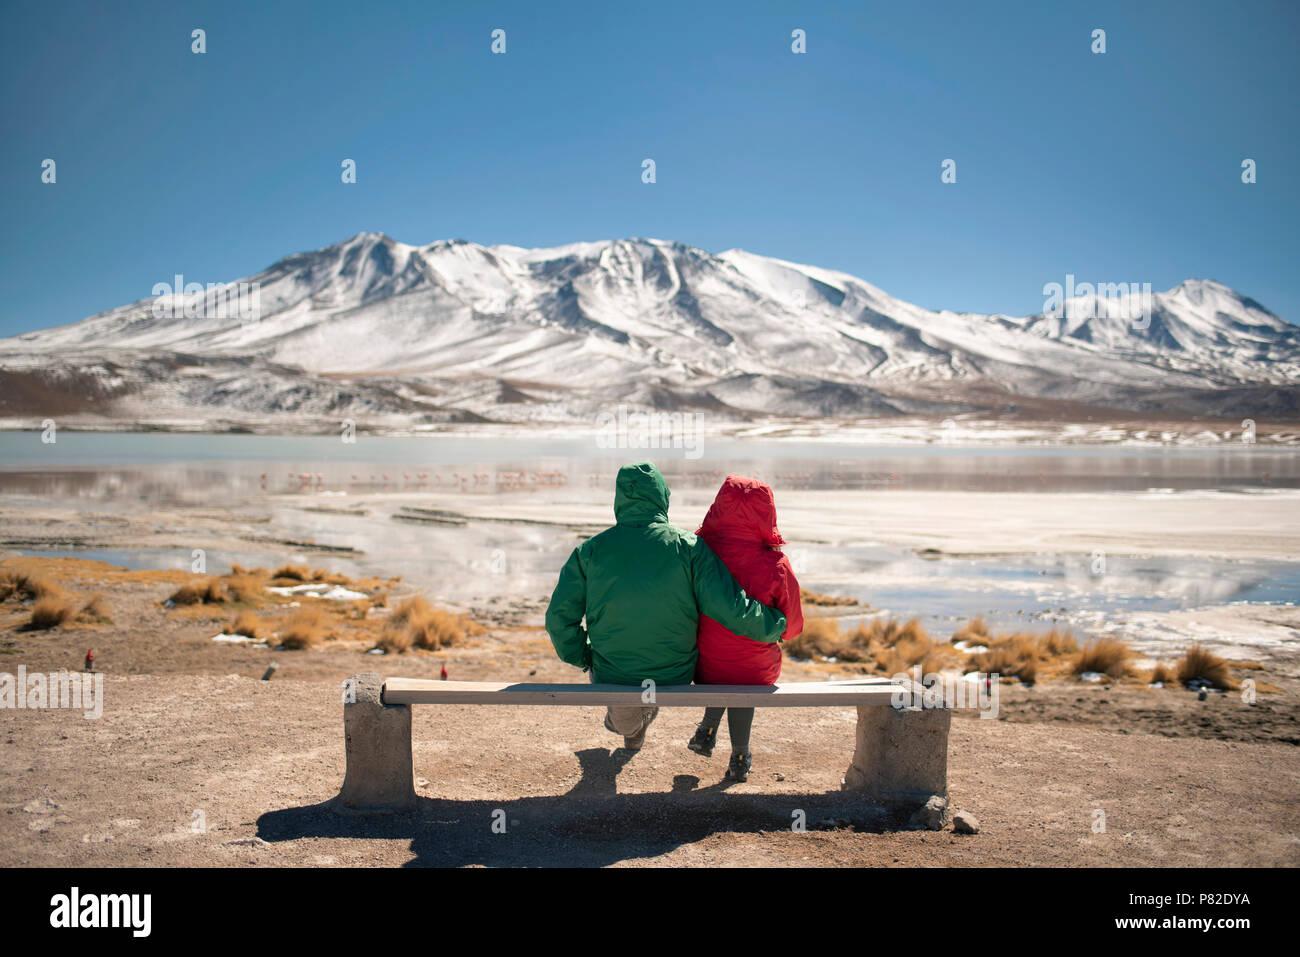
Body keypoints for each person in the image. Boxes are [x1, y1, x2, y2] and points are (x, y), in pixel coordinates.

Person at [545, 462, 787, 751]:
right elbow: (730, 607)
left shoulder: (591, 551)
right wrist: (775, 624)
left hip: (613, 673)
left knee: (622, 716)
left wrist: (584, 657)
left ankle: (628, 723)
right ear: (662, 496)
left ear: (619, 498)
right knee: (627, 716)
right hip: (675, 673)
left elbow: (559, 620)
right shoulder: (689, 547)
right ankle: (632, 723)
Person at [687, 475, 803, 782]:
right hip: (756, 669)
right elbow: (792, 627)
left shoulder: (700, 556)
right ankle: (740, 754)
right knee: (743, 671)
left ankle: (707, 728)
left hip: (704, 666)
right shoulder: (776, 564)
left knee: (720, 656)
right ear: (767, 513)